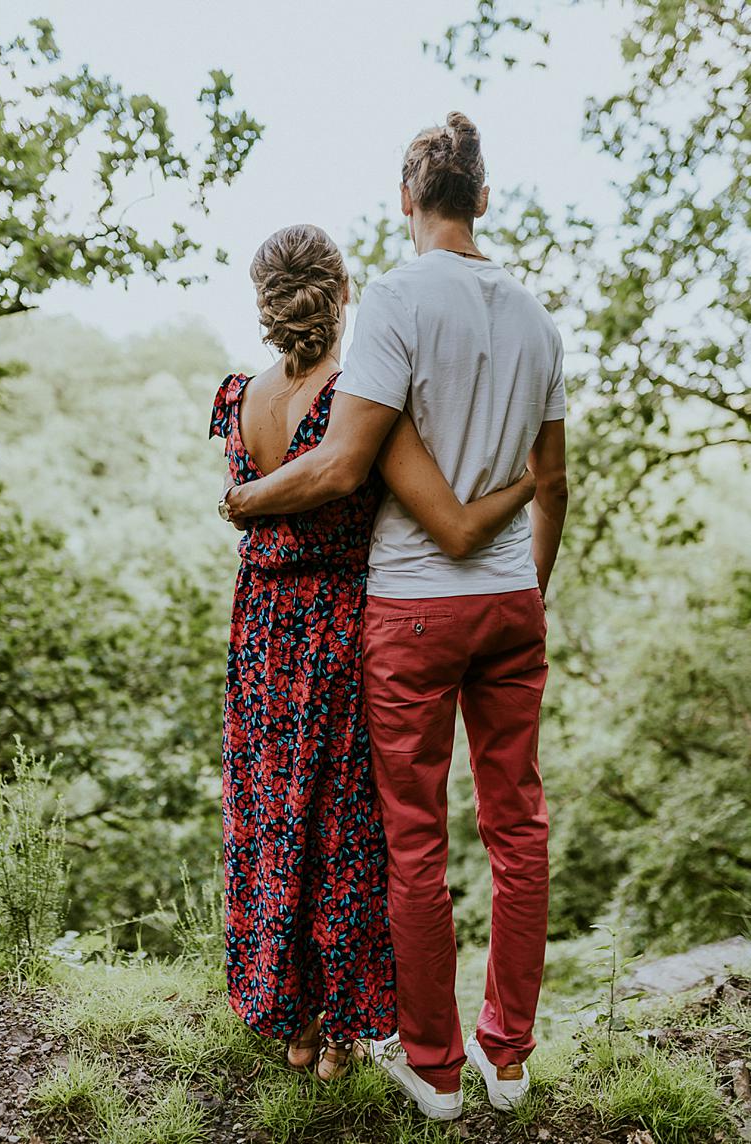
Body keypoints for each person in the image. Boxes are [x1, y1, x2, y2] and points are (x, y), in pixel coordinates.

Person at [222, 114, 569, 1120]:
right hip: (506, 600)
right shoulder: (539, 318)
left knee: (413, 842)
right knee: (519, 831)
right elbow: (550, 484)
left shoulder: (392, 300)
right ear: (484, 198)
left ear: (405, 200)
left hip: (412, 609)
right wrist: (527, 592)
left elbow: (339, 463)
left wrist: (241, 501)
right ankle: (508, 1059)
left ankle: (435, 1069)